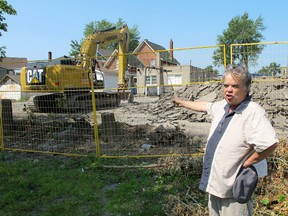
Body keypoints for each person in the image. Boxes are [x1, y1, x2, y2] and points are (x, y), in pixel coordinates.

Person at [172, 64, 278, 216]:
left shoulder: (252, 112)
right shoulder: (222, 106)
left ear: (246, 89)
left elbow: (270, 143)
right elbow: (204, 106)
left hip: (233, 192)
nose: (229, 89)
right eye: (226, 85)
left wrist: (248, 162)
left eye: (235, 86)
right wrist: (181, 102)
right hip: (216, 187)